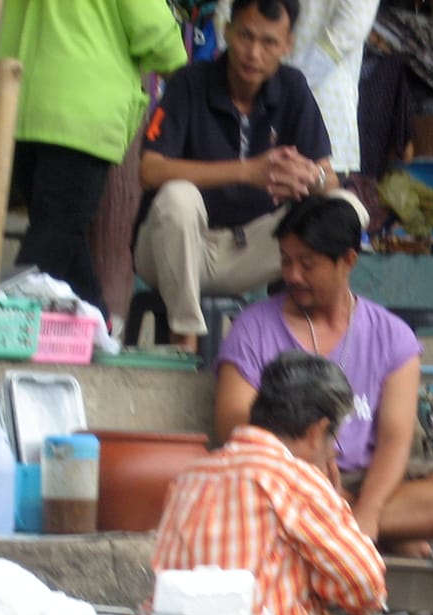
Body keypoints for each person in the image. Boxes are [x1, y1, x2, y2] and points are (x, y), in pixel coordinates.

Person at [214, 195, 433, 554]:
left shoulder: (393, 336)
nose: (292, 275)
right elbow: (233, 426)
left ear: (347, 261)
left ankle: (347, 522)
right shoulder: (252, 328)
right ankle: (389, 533)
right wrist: (306, 470)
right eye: (286, 262)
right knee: (247, 483)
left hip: (370, 481)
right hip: (285, 476)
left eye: (307, 265)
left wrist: (370, 509)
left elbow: (394, 439)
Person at [135, 0, 337, 352]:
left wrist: (310, 176)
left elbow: (329, 176)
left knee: (343, 207)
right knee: (177, 197)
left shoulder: (293, 88)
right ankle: (185, 339)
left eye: (269, 43)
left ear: (287, 45)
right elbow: (149, 170)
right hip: (176, 249)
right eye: (245, 36)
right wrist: (247, 172)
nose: (253, 53)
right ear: (226, 31)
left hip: (250, 249)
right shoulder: (190, 83)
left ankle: (319, 339)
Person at [151, 350, 386, 615]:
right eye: (333, 439)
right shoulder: (295, 480)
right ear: (317, 431)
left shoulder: (191, 477)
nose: (332, 452)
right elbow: (366, 586)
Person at [0, 0, 186, 319]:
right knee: (57, 229)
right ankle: (3, 318)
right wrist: (180, 68)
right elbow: (153, 29)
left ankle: (98, 323)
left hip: (18, 102)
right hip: (80, 107)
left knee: (60, 228)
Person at [214, 0, 377, 175]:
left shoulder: (289, 85)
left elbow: (348, 30)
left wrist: (281, 83)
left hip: (323, 104)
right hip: (243, 101)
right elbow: (226, 13)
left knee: (313, 181)